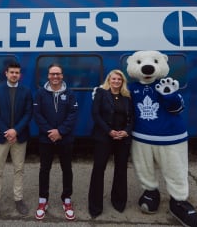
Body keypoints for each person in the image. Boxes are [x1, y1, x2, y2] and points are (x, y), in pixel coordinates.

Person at [0, 62, 33, 221]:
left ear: (20, 75)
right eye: (12, 72)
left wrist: (16, 130)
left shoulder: (26, 91)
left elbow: (28, 114)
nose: (14, 75)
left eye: (17, 72)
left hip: (19, 137)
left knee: (19, 170)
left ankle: (18, 199)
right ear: (6, 73)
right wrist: (7, 131)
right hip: (1, 136)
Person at [33, 63, 79, 221]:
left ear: (62, 76)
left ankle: (67, 200)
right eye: (52, 74)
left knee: (67, 169)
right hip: (45, 139)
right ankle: (42, 200)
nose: (55, 77)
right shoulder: (40, 93)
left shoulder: (70, 93)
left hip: (65, 139)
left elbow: (73, 114)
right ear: (48, 75)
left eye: (58, 74)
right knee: (44, 170)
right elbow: (37, 114)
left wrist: (60, 131)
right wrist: (50, 132)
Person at [88, 69, 134, 219]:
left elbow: (132, 117)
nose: (116, 82)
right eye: (113, 79)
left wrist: (126, 131)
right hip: (104, 137)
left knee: (121, 170)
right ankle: (95, 206)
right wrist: (109, 131)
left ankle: (119, 202)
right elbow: (96, 114)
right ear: (109, 80)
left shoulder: (127, 97)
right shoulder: (101, 93)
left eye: (119, 80)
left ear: (122, 82)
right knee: (98, 169)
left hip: (122, 138)